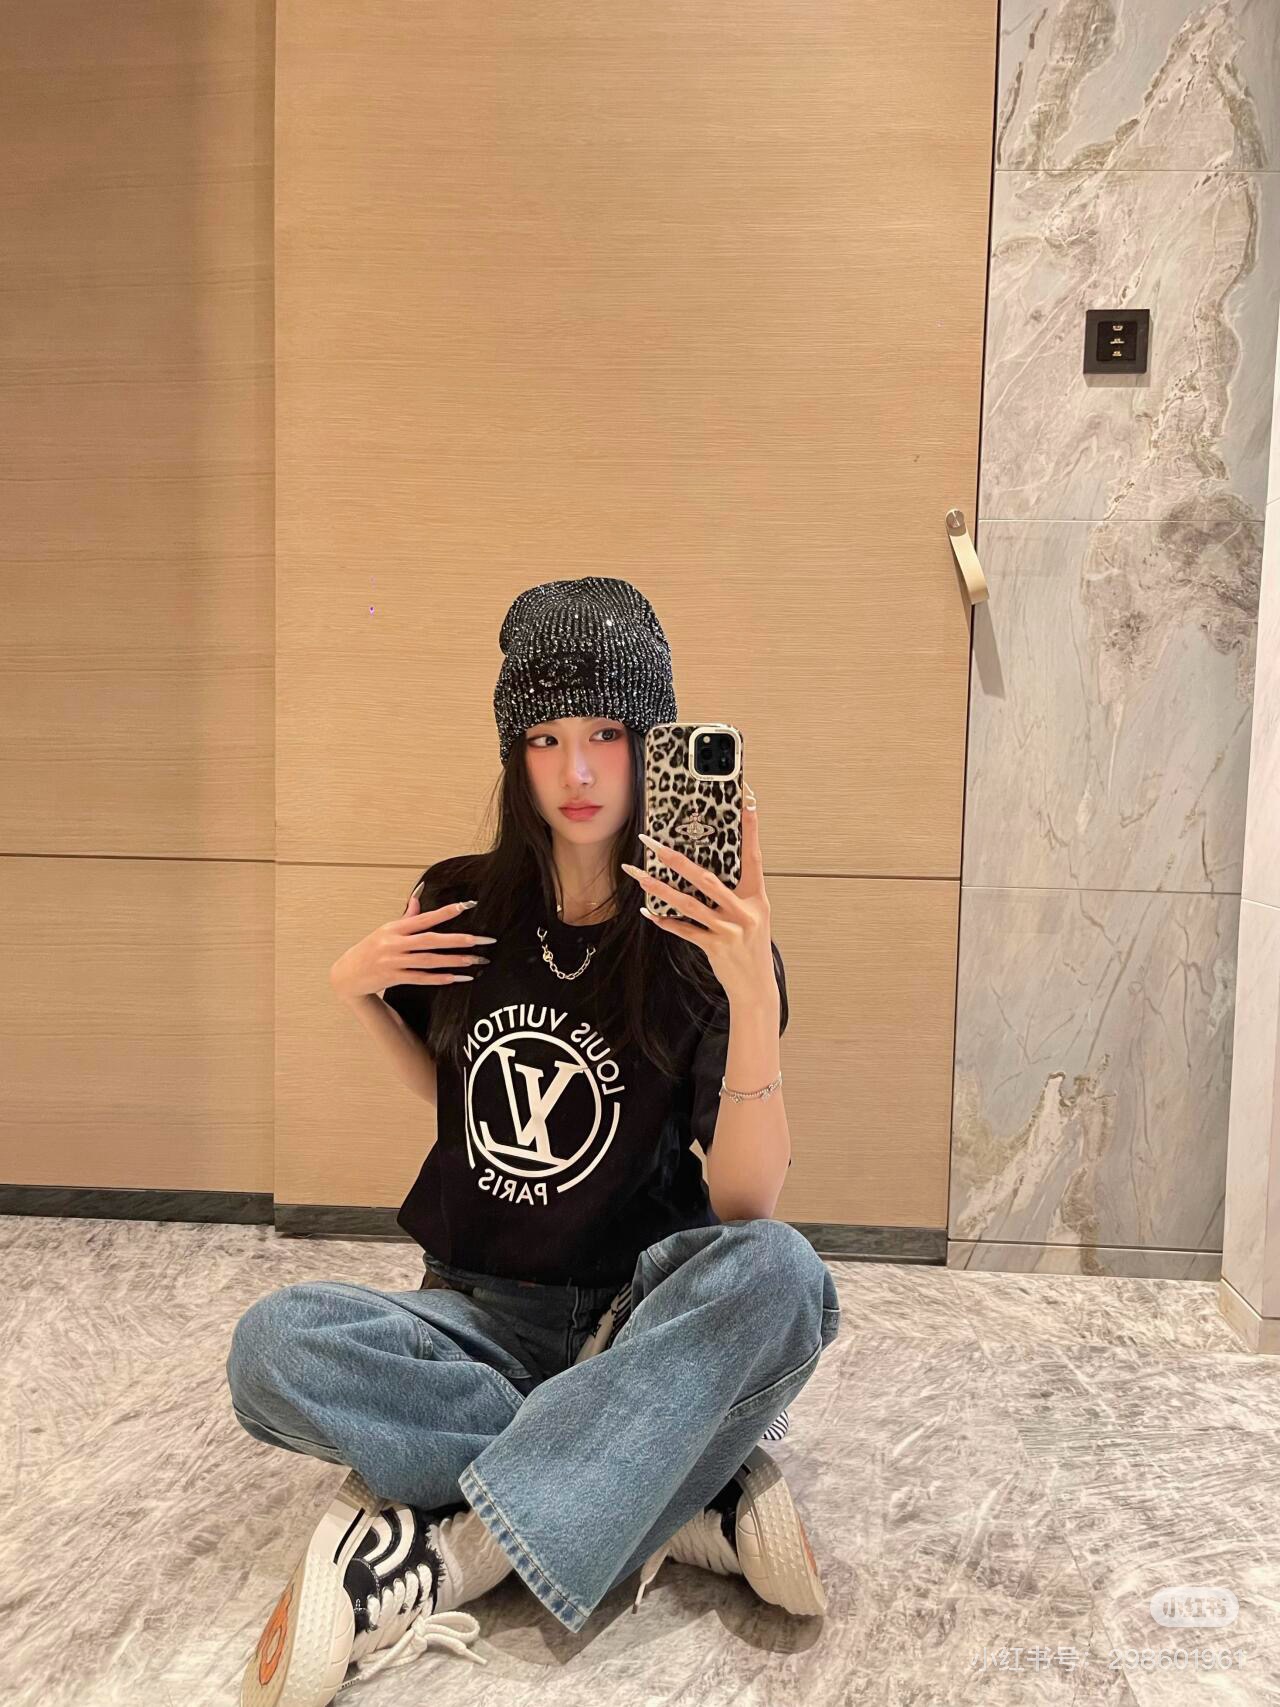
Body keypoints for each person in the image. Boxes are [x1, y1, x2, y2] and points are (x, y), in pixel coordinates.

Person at [225, 577, 842, 1705]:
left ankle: (459, 1547)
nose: (577, 771)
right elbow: (461, 1100)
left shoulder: (700, 939)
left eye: (605, 732)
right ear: (513, 753)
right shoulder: (463, 903)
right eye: (544, 738)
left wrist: (751, 995)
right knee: (274, 1347)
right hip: (473, 1311)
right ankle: (669, 1476)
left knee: (785, 1278)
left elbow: (746, 1206)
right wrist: (358, 994)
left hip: (635, 1312)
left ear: (649, 743)